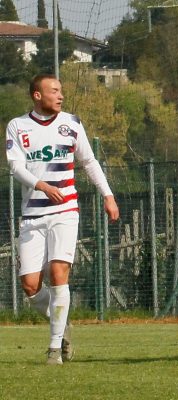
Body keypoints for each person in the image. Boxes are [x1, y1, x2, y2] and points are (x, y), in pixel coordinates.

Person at [5, 74, 119, 365]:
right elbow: (15, 166)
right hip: (32, 215)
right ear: (37, 95)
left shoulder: (72, 124)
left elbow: (89, 162)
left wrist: (107, 195)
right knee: (30, 286)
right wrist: (42, 186)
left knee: (59, 276)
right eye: (54, 91)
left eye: (61, 91)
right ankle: (61, 319)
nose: (60, 95)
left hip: (65, 211)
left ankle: (55, 348)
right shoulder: (18, 126)